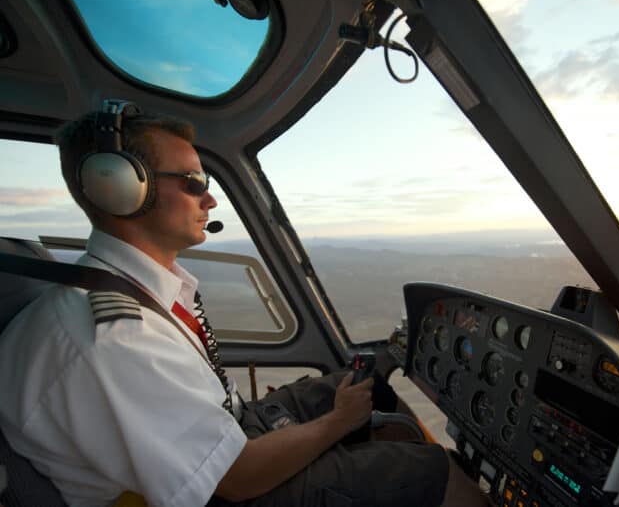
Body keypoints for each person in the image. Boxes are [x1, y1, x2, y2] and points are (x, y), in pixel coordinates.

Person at [0, 103, 487, 507]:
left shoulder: (131, 291)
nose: (208, 199)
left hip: (223, 437)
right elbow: (234, 479)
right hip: (226, 490)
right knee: (432, 469)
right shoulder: (115, 339)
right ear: (121, 189)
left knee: (360, 384)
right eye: (191, 182)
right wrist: (337, 422)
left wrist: (336, 415)